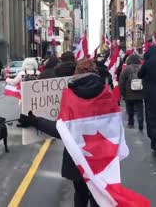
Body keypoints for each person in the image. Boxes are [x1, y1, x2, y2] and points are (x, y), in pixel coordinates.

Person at [17, 59, 104, 207]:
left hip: (77, 157)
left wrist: (35, 121)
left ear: (76, 73)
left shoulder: (71, 95)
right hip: (102, 156)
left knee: (81, 194)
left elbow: (62, 130)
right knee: (99, 197)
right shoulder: (106, 93)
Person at [119, 54, 144, 131]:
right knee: (140, 108)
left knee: (130, 109)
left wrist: (123, 93)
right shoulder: (141, 67)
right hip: (140, 92)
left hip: (129, 93)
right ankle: (140, 123)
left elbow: (121, 82)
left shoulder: (127, 69)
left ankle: (131, 123)